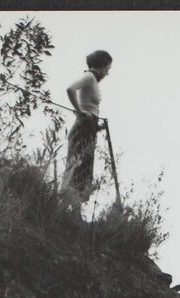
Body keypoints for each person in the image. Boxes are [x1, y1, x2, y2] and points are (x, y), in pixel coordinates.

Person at [60, 50, 113, 204]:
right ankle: (64, 210)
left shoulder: (93, 81)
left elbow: (89, 109)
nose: (107, 73)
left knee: (83, 170)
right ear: (101, 66)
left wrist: (97, 127)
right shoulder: (89, 77)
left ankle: (75, 213)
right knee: (77, 167)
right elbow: (70, 89)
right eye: (107, 69)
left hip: (89, 128)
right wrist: (79, 111)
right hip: (82, 128)